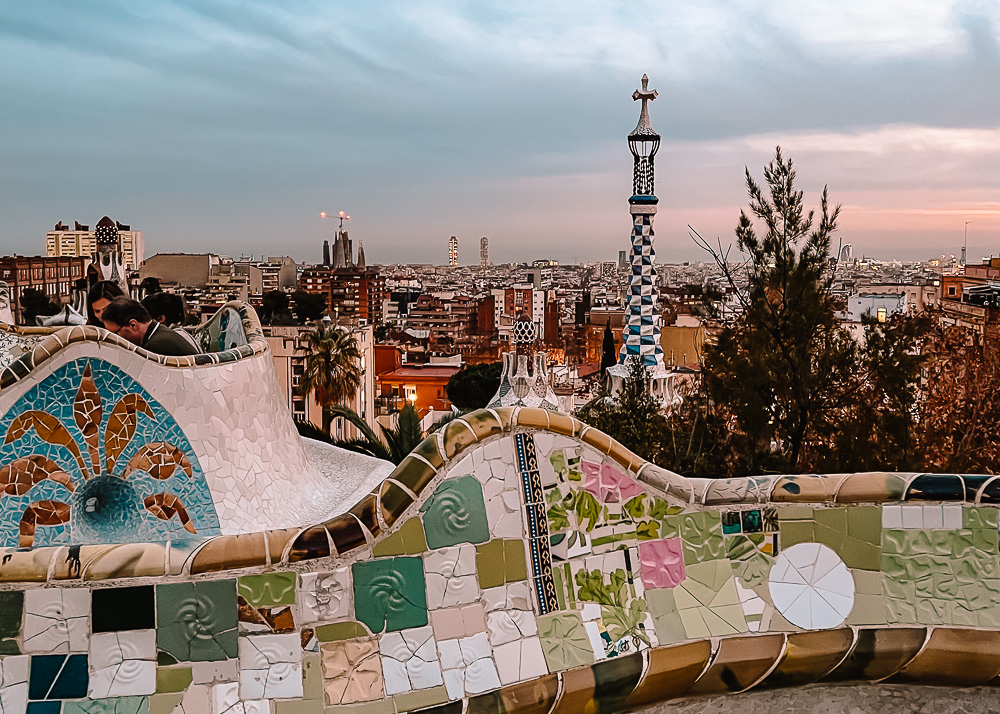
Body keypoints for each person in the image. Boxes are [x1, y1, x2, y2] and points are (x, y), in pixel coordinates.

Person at [100, 297, 199, 357]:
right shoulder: (159, 333)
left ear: (133, 325)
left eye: (115, 333)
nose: (115, 339)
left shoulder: (154, 347)